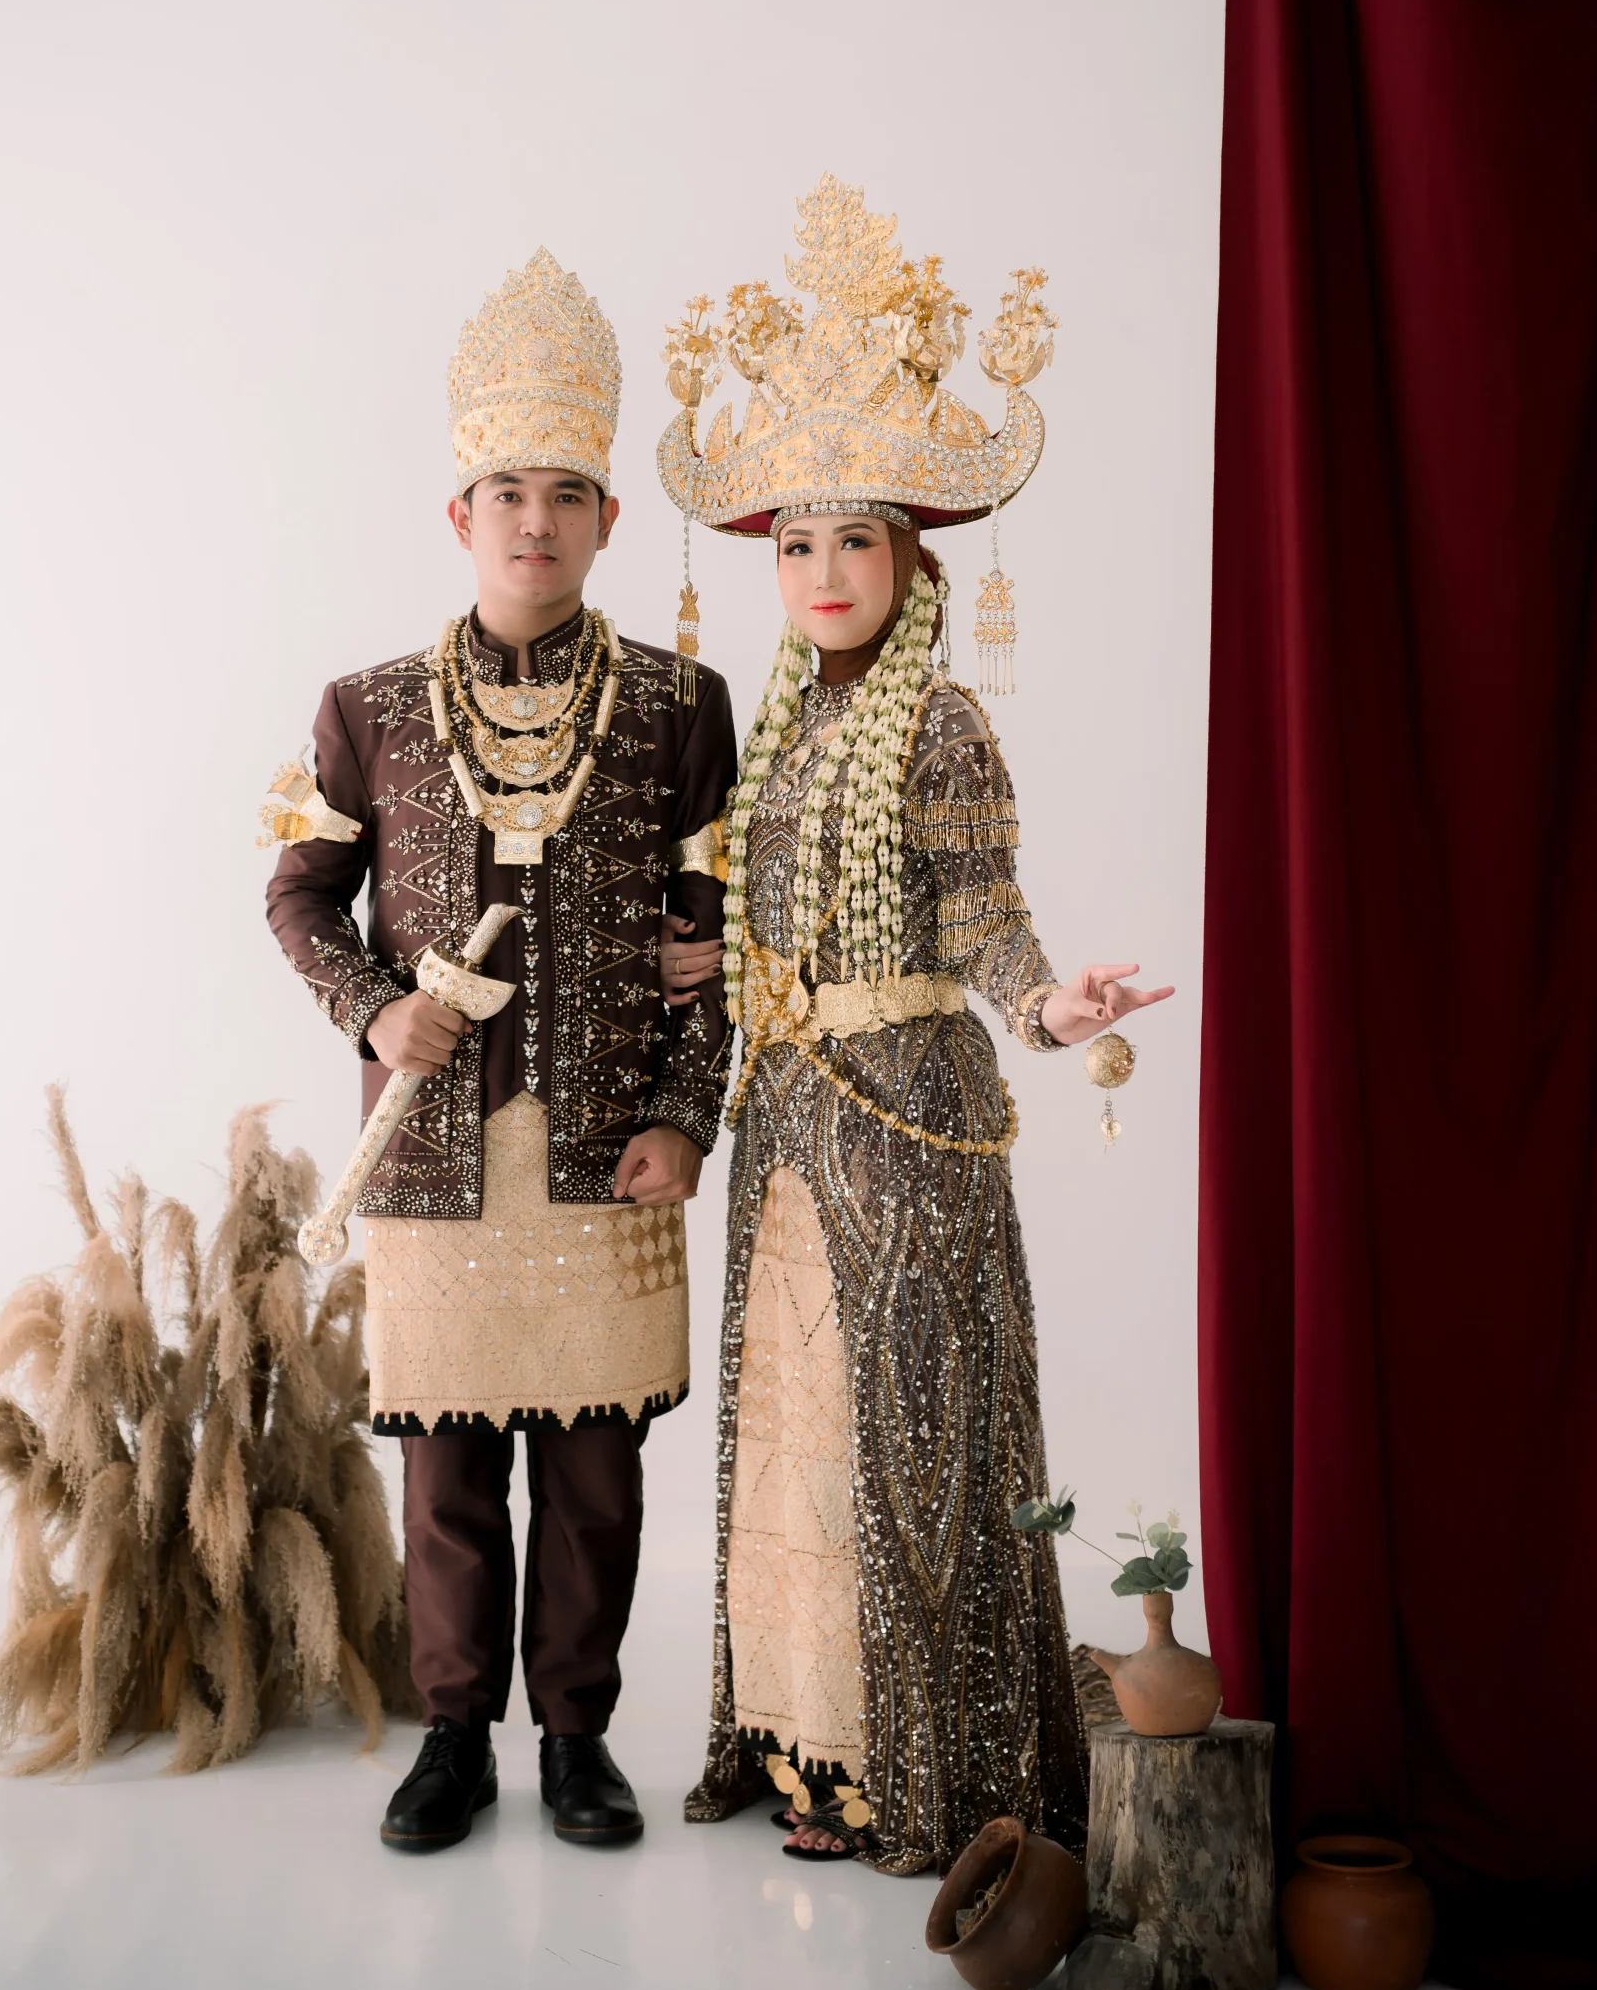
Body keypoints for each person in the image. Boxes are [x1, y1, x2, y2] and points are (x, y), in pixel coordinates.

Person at [656, 179, 1172, 1872]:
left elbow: (981, 912)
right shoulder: (776, 734)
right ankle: (803, 1737)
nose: (820, 573)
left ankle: (919, 1762)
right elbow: (757, 921)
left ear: (909, 557)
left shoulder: (939, 722)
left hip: (909, 1109)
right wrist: (697, 971)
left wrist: (1046, 1002)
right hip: (786, 1110)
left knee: (909, 1427)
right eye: (793, 545)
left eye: (852, 541)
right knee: (795, 1428)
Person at [267, 248, 735, 1853]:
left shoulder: (678, 706)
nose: (536, 521)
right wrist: (370, 1007)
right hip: (434, 1148)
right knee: (449, 1471)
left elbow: (719, 942)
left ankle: (578, 1741)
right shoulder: (368, 708)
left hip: (609, 1150)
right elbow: (298, 893)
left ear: (607, 520)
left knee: (597, 1473)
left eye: (566, 494)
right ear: (458, 516)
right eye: (508, 493)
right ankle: (455, 1734)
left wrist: (686, 1116)